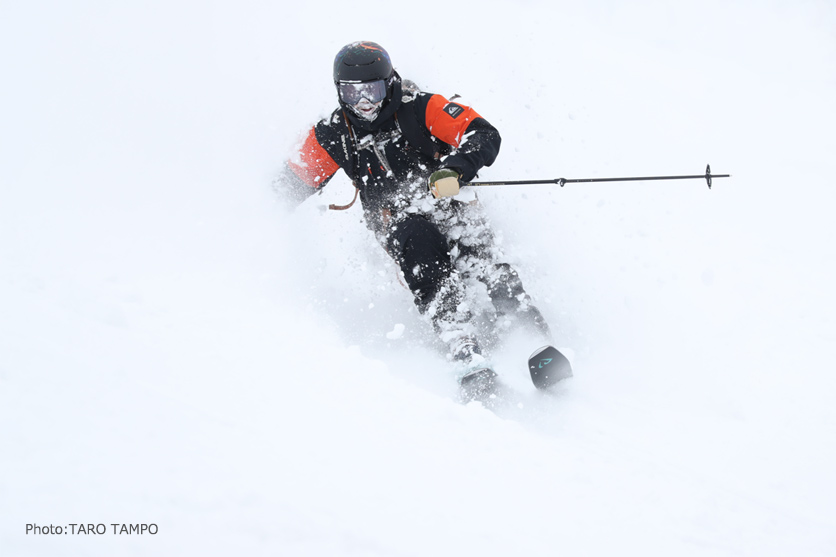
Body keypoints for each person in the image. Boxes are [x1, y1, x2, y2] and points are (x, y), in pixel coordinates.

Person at [277, 41, 550, 390]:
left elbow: (482, 134)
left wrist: (455, 168)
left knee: (476, 250)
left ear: (389, 83)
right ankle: (461, 341)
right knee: (419, 240)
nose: (364, 103)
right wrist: (246, 219)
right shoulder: (334, 133)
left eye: (372, 91)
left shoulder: (421, 108)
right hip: (395, 221)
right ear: (339, 92)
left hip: (448, 203)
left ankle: (528, 335)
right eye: (352, 93)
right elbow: (288, 185)